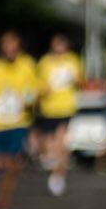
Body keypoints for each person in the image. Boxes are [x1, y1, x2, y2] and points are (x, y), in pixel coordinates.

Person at [0, 30, 39, 209]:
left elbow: (34, 90)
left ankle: (3, 205)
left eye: (13, 44)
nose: (9, 48)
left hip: (18, 122)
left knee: (11, 165)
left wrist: (28, 102)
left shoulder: (27, 64)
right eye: (6, 44)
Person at [33, 32, 83, 197]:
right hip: (49, 108)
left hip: (65, 107)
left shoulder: (72, 60)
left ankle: (58, 175)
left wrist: (74, 79)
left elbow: (81, 82)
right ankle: (57, 169)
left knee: (61, 141)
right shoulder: (45, 62)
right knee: (51, 144)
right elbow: (38, 85)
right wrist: (42, 92)